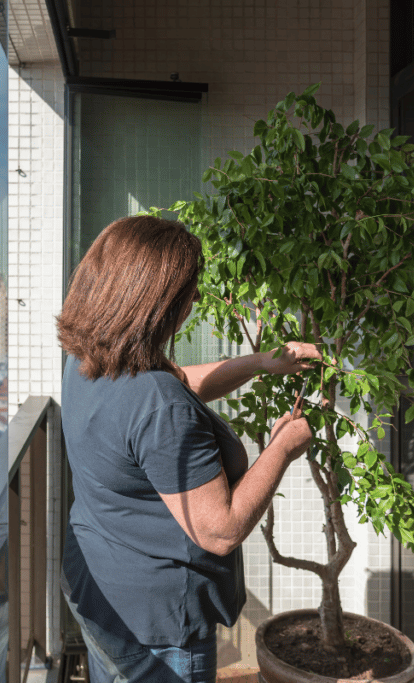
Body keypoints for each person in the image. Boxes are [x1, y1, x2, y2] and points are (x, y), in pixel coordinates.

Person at [56, 215, 320, 683]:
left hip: (97, 585)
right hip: (157, 624)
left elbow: (180, 384)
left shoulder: (89, 360)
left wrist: (261, 363)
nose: (196, 300)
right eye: (188, 292)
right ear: (157, 305)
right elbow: (218, 531)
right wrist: (282, 446)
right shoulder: (159, 404)